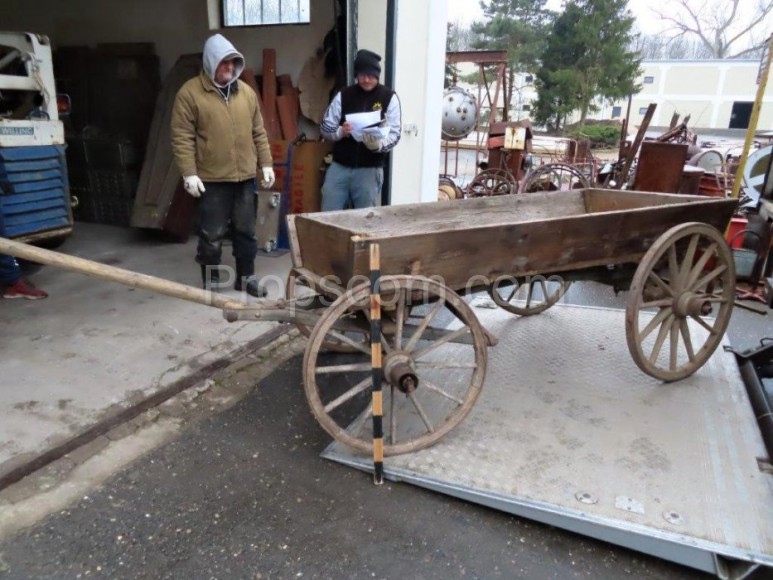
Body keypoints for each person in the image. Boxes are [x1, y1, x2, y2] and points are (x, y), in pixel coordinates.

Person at [171, 33, 274, 297]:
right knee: (211, 234)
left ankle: (246, 278)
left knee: (246, 231)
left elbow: (258, 132)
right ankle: (212, 280)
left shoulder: (246, 93)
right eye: (223, 62)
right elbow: (182, 136)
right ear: (210, 62)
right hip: (212, 178)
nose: (229, 67)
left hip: (244, 178)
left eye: (232, 62)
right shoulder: (190, 94)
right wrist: (189, 174)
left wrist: (266, 164)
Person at [319, 49, 402, 211]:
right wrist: (340, 131)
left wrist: (378, 145)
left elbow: (395, 134)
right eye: (361, 75)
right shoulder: (344, 95)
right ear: (356, 75)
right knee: (328, 211)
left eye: (370, 75)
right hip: (340, 165)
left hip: (370, 168)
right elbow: (325, 127)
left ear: (377, 75)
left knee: (365, 217)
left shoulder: (389, 97)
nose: (366, 79)